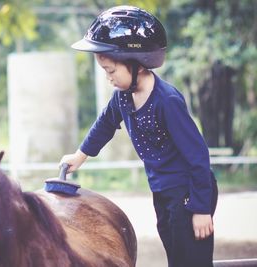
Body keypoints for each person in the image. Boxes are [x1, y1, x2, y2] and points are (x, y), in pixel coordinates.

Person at [59, 5, 218, 267]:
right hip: (163, 191)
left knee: (193, 261)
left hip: (189, 193)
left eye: (111, 71)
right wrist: (80, 156)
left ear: (137, 64)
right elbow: (104, 125)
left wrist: (201, 208)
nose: (108, 78)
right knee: (177, 259)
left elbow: (198, 155)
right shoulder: (123, 96)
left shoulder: (166, 101)